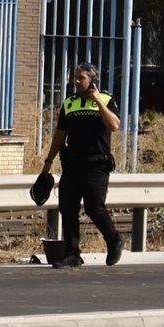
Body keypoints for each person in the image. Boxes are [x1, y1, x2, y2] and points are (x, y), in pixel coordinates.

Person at [38, 62, 123, 268]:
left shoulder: (106, 99)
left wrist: (98, 102)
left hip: (97, 166)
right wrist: (48, 163)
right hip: (72, 165)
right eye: (75, 77)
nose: (76, 81)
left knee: (95, 208)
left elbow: (114, 125)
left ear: (92, 80)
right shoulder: (69, 103)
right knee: (67, 208)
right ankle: (73, 254)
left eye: (81, 78)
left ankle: (114, 239)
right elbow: (60, 136)